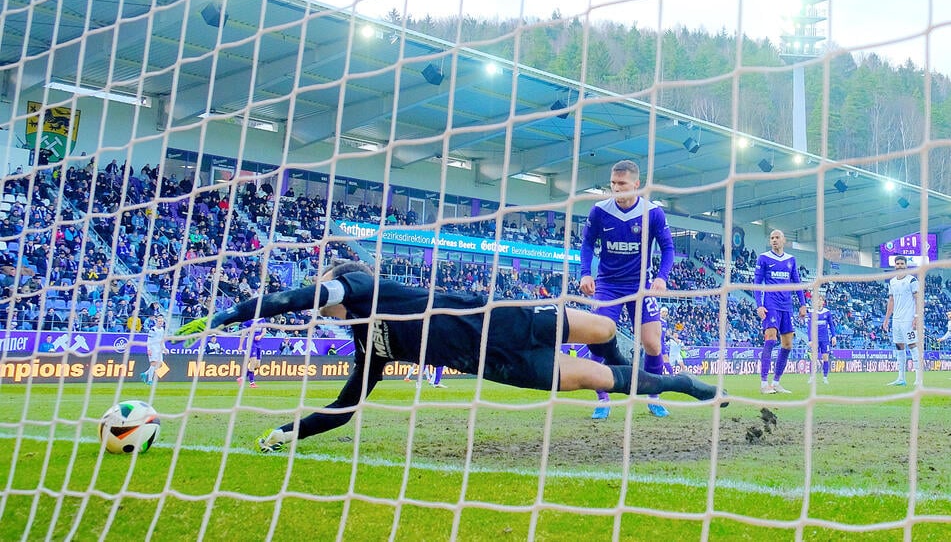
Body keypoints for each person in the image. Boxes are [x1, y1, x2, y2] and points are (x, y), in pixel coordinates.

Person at [173, 261, 727, 453]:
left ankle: (645, 375)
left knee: (604, 324)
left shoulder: (362, 287)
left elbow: (295, 298)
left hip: (503, 316)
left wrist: (226, 317)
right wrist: (288, 432)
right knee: (594, 376)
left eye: (326, 297)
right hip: (498, 364)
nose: (321, 309)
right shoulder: (373, 347)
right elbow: (344, 408)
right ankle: (676, 384)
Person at [579, 159, 675, 419]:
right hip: (608, 285)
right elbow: (587, 244)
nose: (616, 189)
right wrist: (585, 273)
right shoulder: (599, 210)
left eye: (621, 184)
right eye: (612, 184)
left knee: (653, 344)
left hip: (641, 286)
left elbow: (668, 248)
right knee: (598, 342)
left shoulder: (653, 213)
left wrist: (662, 277)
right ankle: (603, 399)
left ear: (636, 184)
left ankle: (653, 397)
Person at [754, 229, 807, 394]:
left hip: (787, 306)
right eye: (772, 238)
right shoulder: (764, 258)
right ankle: (764, 384)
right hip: (770, 304)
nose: (774, 240)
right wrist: (759, 305)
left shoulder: (791, 260)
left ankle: (776, 382)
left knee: (787, 344)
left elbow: (797, 283)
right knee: (770, 338)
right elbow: (757, 283)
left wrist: (803, 304)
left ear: (784, 240)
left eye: (777, 237)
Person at [882, 255, 922, 386]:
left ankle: (918, 378)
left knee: (912, 345)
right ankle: (901, 378)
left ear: (906, 265)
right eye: (897, 263)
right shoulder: (892, 282)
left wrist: (916, 317)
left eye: (901, 263)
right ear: (895, 266)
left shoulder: (912, 280)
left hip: (908, 319)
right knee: (899, 346)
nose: (899, 266)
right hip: (897, 319)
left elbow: (918, 299)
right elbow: (891, 301)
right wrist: (886, 319)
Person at [806, 295, 836, 384]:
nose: (818, 301)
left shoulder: (827, 312)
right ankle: (812, 377)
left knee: (825, 357)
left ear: (823, 302)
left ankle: (825, 377)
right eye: (817, 300)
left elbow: (831, 325)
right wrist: (810, 339)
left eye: (820, 300)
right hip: (815, 338)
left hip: (825, 338)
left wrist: (834, 336)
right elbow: (809, 327)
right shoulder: (811, 312)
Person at [140, 314, 168, 385]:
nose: (160, 322)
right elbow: (149, 340)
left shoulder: (162, 329)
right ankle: (149, 380)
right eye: (159, 321)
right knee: (153, 363)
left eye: (161, 321)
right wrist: (149, 349)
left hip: (159, 349)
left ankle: (145, 374)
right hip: (153, 348)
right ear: (156, 321)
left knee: (159, 364)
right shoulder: (153, 329)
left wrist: (164, 348)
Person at [237, 319, 266, 388]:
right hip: (251, 344)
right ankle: (252, 383)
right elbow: (243, 334)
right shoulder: (248, 321)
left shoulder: (262, 319)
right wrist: (240, 345)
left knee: (257, 366)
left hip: (258, 344)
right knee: (252, 363)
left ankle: (242, 378)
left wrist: (260, 336)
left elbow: (264, 331)